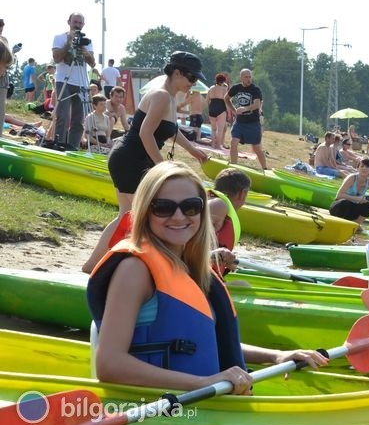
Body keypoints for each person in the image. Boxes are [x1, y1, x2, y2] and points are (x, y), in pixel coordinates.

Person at [87, 161, 328, 392]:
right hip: (166, 408)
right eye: (163, 208)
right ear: (145, 212)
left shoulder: (192, 269)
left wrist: (276, 355)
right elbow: (109, 364)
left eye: (190, 207)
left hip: (202, 400)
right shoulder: (134, 269)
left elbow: (206, 343)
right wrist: (202, 382)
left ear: (202, 211)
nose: (179, 216)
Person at [82, 51, 210, 274]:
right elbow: (145, 133)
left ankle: (94, 264)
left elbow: (170, 131)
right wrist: (163, 168)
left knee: (127, 215)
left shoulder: (170, 97)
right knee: (140, 215)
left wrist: (194, 150)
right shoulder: (161, 95)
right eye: (192, 78)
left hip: (130, 156)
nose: (194, 83)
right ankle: (136, 265)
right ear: (177, 73)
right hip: (132, 159)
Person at [51, 12, 96, 149]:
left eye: (79, 23)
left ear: (83, 24)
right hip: (63, 80)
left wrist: (84, 50)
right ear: (69, 22)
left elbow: (93, 63)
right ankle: (59, 144)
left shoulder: (87, 41)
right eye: (75, 22)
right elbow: (56, 58)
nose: (77, 25)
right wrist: (68, 43)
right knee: (63, 115)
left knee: (78, 118)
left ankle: (73, 146)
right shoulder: (59, 37)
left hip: (81, 82)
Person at [225, 68, 267, 170]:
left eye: (250, 77)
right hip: (240, 122)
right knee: (233, 142)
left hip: (253, 122)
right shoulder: (236, 88)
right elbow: (226, 98)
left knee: (256, 147)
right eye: (246, 77)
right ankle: (233, 167)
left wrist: (245, 109)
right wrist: (234, 110)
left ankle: (265, 169)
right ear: (241, 78)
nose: (248, 79)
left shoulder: (255, 89)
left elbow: (257, 104)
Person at [329, 158, 369, 229]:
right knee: (345, 203)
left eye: (367, 167)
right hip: (339, 207)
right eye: (362, 166)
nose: (364, 168)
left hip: (352, 209)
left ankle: (356, 224)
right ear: (357, 168)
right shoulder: (351, 178)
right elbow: (339, 195)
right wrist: (358, 199)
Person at [207, 73, 230, 149]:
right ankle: (218, 145)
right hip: (221, 107)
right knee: (220, 129)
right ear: (223, 81)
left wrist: (209, 110)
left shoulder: (210, 88)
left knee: (213, 129)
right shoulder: (224, 89)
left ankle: (213, 145)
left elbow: (207, 100)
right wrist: (228, 112)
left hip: (212, 107)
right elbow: (226, 101)